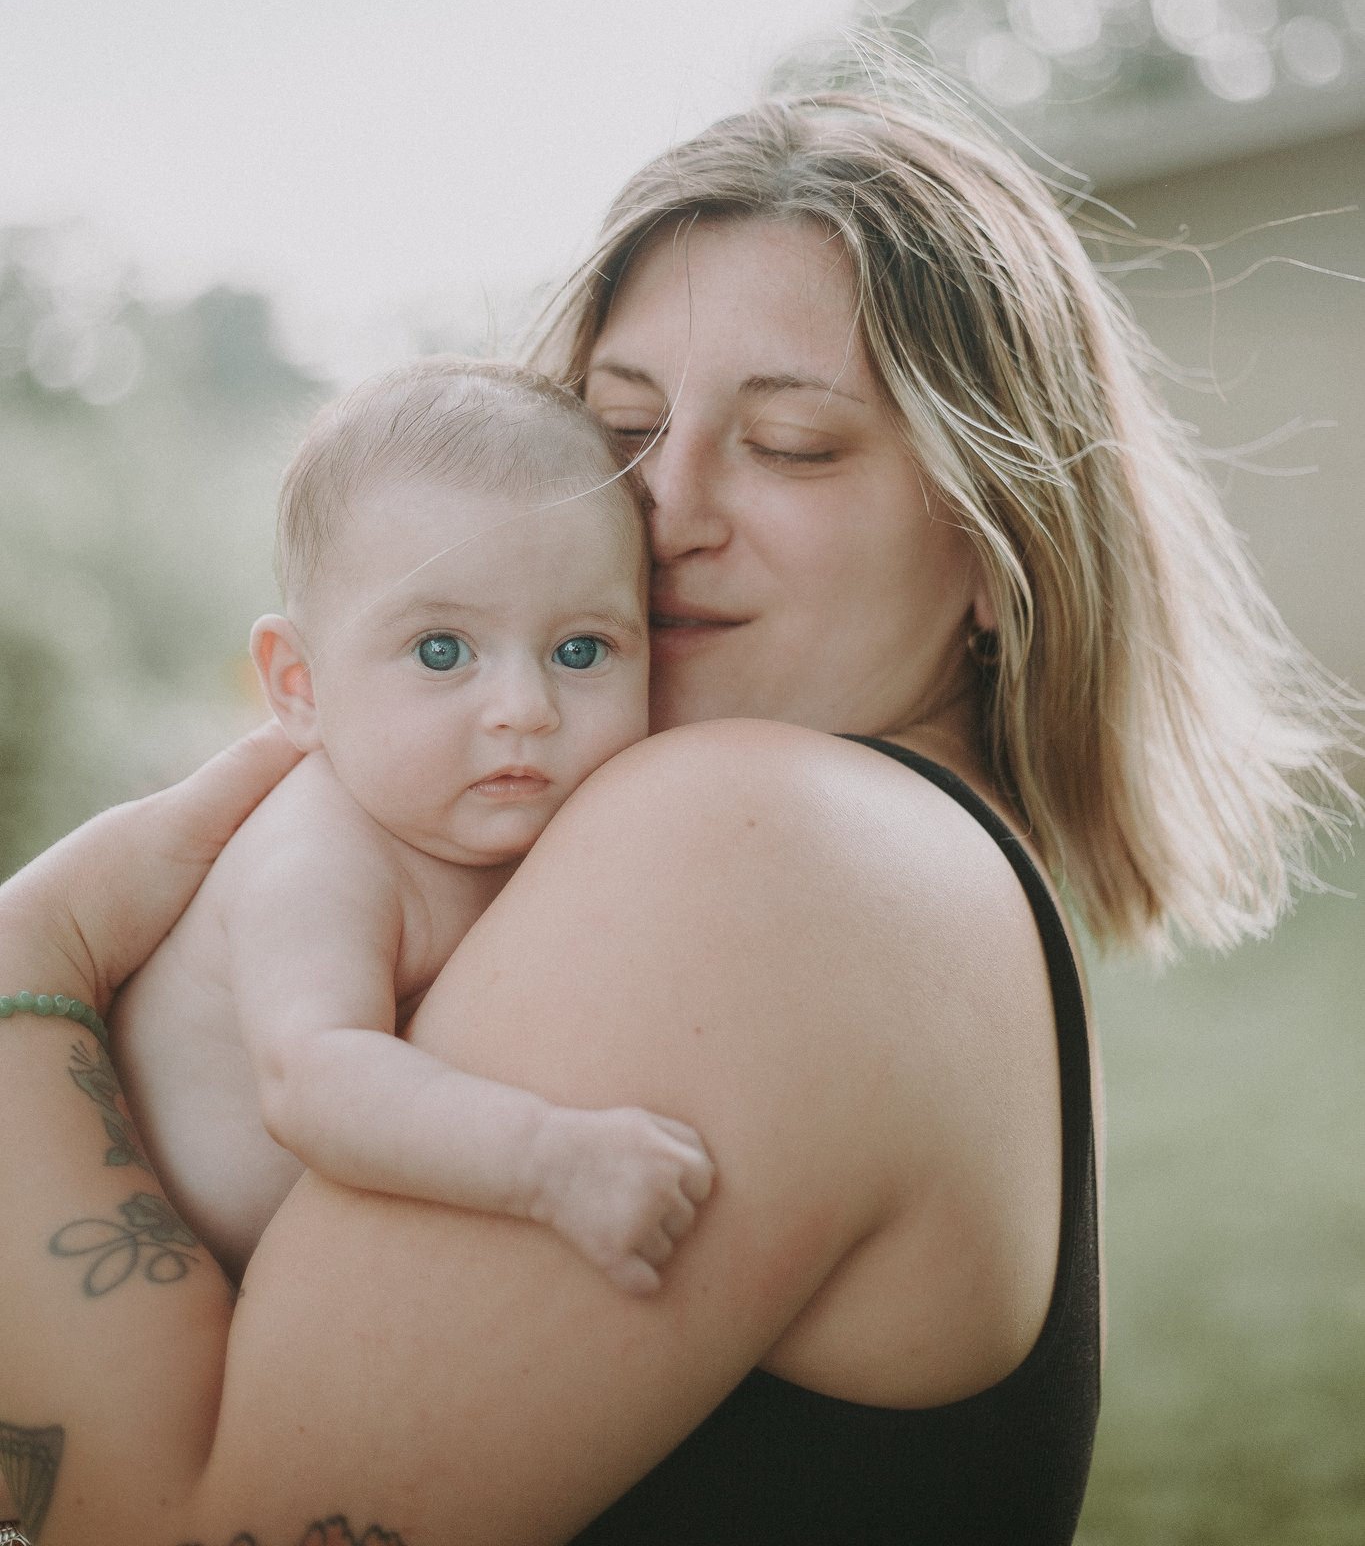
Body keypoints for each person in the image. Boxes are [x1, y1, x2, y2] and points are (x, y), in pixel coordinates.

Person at [0, 87, 1352, 1546]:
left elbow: (169, 1526)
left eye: (791, 445)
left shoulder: (762, 841)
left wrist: (38, 947)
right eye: (622, 426)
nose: (665, 508)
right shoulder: (921, 863)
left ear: (994, 541)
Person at [108, 356, 714, 1290]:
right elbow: (314, 1082)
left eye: (581, 648)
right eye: (441, 651)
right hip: (139, 1295)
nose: (525, 706)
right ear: (298, 687)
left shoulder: (550, 821)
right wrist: (551, 1161)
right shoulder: (318, 853)